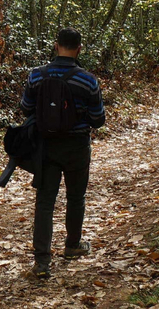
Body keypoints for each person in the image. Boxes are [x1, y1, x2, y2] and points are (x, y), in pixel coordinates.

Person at [20, 27, 106, 279]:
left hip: (45, 146)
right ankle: (72, 246)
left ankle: (42, 260)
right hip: (77, 146)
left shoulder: (36, 76)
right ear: (79, 48)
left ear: (56, 45)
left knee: (45, 202)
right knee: (75, 197)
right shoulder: (88, 80)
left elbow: (26, 107)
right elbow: (98, 119)